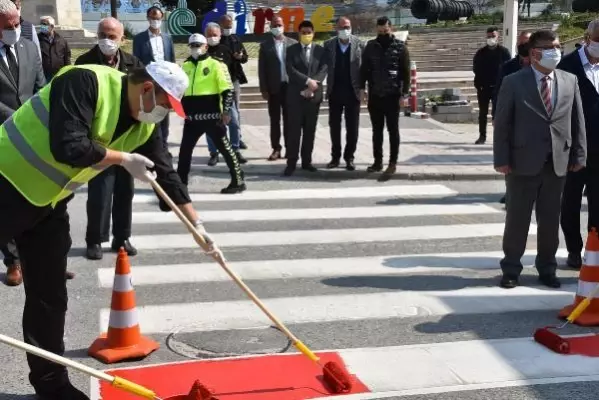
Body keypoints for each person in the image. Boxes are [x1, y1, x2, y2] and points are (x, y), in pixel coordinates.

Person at [0, 55, 218, 398]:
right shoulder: (84, 81)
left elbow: (167, 175)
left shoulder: (142, 125)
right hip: (5, 181)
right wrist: (122, 159)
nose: (162, 114)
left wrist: (198, 227)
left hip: (48, 202)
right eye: (164, 105)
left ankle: (51, 385)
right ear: (147, 88)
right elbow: (68, 146)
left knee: (49, 296)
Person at [493, 29, 586, 289]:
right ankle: (511, 268)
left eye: (557, 46)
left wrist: (579, 153)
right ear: (534, 53)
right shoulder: (513, 82)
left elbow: (577, 121)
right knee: (517, 219)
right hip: (521, 161)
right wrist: (501, 158)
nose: (556, 51)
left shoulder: (570, 80)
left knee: (550, 220)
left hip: (557, 161)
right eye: (549, 47)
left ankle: (547, 267)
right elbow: (502, 124)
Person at [76, 17, 145, 260]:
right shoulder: (84, 62)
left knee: (125, 191)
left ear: (122, 39)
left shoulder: (132, 63)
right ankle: (95, 239)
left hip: (125, 138)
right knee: (100, 193)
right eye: (103, 34)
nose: (107, 40)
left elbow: (140, 98)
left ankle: (122, 237)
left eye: (112, 36)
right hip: (99, 141)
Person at [0, 0, 47, 286]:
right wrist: (17, 117)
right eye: (8, 26)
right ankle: (13, 261)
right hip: (3, 135)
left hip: (32, 135)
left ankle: (38, 259)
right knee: (5, 200)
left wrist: (37, 118)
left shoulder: (30, 48)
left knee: (33, 197)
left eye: (17, 24)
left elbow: (42, 87)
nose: (15, 30)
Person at [178, 33, 246, 194]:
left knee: (226, 149)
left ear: (206, 46)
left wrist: (226, 111)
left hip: (212, 116)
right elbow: (179, 90)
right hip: (191, 117)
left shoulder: (216, 64)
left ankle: (238, 181)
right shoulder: (185, 65)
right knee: (184, 152)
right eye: (192, 45)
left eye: (198, 45)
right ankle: (181, 184)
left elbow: (227, 89)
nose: (195, 48)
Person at [557, 19, 599, 269]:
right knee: (570, 203)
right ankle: (574, 249)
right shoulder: (568, 65)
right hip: (574, 148)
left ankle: (593, 253)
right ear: (587, 38)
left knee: (598, 205)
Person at [359, 16, 410, 181]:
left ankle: (393, 162)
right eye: (380, 31)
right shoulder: (371, 46)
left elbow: (406, 73)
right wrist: (362, 89)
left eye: (385, 31)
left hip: (393, 95)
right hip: (375, 95)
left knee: (393, 131)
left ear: (391, 28)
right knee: (376, 131)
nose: (383, 33)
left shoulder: (400, 47)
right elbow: (364, 70)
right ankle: (377, 161)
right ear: (376, 29)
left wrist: (405, 94)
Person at [283, 20, 328, 176]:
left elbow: (323, 69)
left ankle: (307, 161)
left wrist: (312, 85)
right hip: (296, 96)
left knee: (310, 131)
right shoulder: (291, 50)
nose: (307, 35)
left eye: (309, 32)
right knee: (294, 132)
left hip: (313, 97)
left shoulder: (320, 51)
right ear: (299, 33)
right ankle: (291, 163)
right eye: (304, 32)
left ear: (313, 34)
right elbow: (290, 70)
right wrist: (307, 82)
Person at [492, 30, 532, 205]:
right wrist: (495, 114)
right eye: (520, 43)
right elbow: (498, 93)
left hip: (534, 120)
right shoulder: (508, 67)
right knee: (511, 158)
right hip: (512, 118)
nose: (523, 46)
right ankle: (511, 192)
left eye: (526, 43)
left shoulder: (540, 67)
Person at [323, 16, 364, 171]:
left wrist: (363, 89)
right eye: (342, 28)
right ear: (336, 29)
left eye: (347, 27)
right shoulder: (328, 45)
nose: (345, 30)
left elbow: (365, 68)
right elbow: (322, 67)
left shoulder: (360, 44)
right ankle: (335, 157)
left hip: (353, 91)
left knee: (352, 127)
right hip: (335, 91)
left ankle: (349, 157)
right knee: (334, 126)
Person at [132, 5, 175, 149]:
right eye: (152, 18)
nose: (155, 20)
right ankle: (152, 147)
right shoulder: (139, 39)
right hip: (148, 85)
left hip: (165, 85)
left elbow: (172, 61)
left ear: (161, 18)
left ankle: (164, 146)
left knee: (165, 118)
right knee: (151, 117)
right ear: (147, 18)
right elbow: (136, 63)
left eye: (157, 18)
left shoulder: (168, 38)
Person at [204, 21, 246, 165]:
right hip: (209, 95)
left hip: (227, 93)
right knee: (211, 126)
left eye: (214, 35)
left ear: (219, 34)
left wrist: (232, 90)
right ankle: (213, 153)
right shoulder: (203, 52)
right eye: (209, 35)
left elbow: (233, 70)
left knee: (233, 122)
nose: (212, 38)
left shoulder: (225, 49)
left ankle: (235, 149)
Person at [258, 14, 296, 161]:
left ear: (284, 26)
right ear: (270, 27)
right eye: (274, 25)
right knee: (275, 120)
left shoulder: (293, 43)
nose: (277, 27)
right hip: (273, 89)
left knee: (289, 120)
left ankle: (289, 148)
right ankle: (276, 148)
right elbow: (262, 69)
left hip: (290, 88)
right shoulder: (265, 46)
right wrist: (263, 88)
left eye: (279, 25)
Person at [214, 12, 248, 149]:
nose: (228, 28)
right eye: (226, 26)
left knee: (236, 110)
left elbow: (245, 57)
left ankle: (238, 138)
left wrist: (240, 57)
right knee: (220, 110)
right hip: (219, 81)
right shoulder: (217, 41)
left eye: (230, 25)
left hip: (234, 79)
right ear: (220, 26)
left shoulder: (235, 39)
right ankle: (222, 138)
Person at [472, 26, 511, 144]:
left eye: (493, 36)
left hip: (499, 87)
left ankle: (499, 137)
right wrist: (479, 84)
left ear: (498, 36)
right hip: (484, 87)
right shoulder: (481, 53)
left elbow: (508, 68)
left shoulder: (504, 52)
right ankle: (482, 136)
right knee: (482, 113)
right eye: (489, 36)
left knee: (498, 114)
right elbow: (476, 68)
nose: (491, 39)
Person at [38, 16, 71, 81]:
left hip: (59, 75)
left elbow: (67, 58)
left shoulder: (62, 40)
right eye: (41, 24)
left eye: (44, 24)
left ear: (52, 26)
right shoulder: (37, 39)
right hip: (43, 76)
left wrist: (68, 73)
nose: (42, 26)